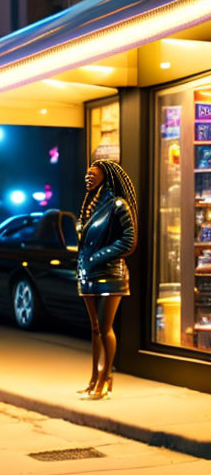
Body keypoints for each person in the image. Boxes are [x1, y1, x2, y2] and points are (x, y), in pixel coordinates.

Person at [76, 159, 138, 400]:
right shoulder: (88, 204)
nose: (88, 178)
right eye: (87, 174)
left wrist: (99, 256)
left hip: (111, 273)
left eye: (93, 174)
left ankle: (105, 378)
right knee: (94, 329)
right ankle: (94, 379)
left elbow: (129, 240)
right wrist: (84, 265)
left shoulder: (118, 205)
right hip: (88, 274)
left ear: (106, 176)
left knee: (104, 328)